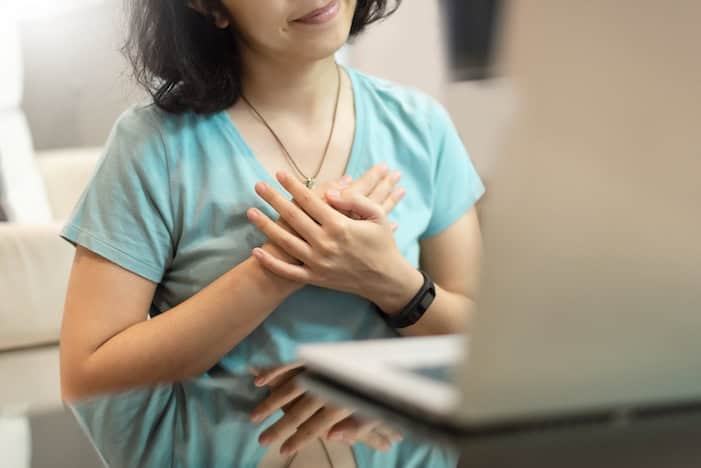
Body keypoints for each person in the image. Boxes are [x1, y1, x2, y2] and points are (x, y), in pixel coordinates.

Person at [59, 1, 484, 466]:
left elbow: (486, 341)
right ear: (210, 7)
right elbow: (87, 377)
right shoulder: (150, 145)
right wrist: (283, 265)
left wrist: (393, 284)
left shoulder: (423, 126)